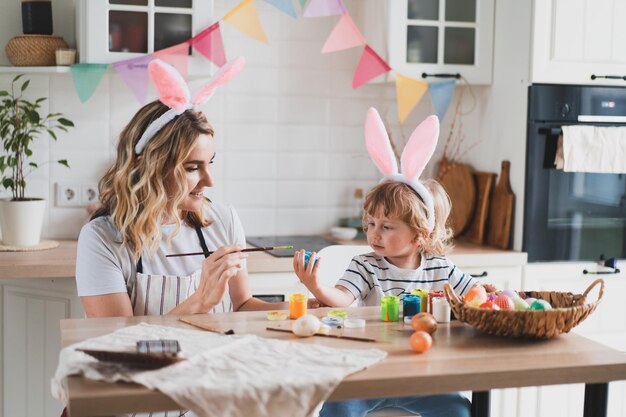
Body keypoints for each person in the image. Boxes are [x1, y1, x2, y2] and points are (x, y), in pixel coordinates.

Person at [293, 108, 494, 417]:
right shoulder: (365, 265)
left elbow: (474, 296)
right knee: (335, 411)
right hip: (366, 374)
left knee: (460, 411)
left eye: (387, 227)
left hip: (422, 377)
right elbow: (342, 300)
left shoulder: (440, 268)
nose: (375, 234)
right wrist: (316, 286)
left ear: (420, 236)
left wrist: (486, 294)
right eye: (370, 224)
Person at [76, 57, 284, 317]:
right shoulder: (102, 239)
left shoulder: (223, 221)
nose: (209, 181)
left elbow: (242, 305)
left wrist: (305, 308)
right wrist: (200, 302)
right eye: (192, 168)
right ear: (148, 166)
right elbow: (117, 339)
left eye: (210, 163)